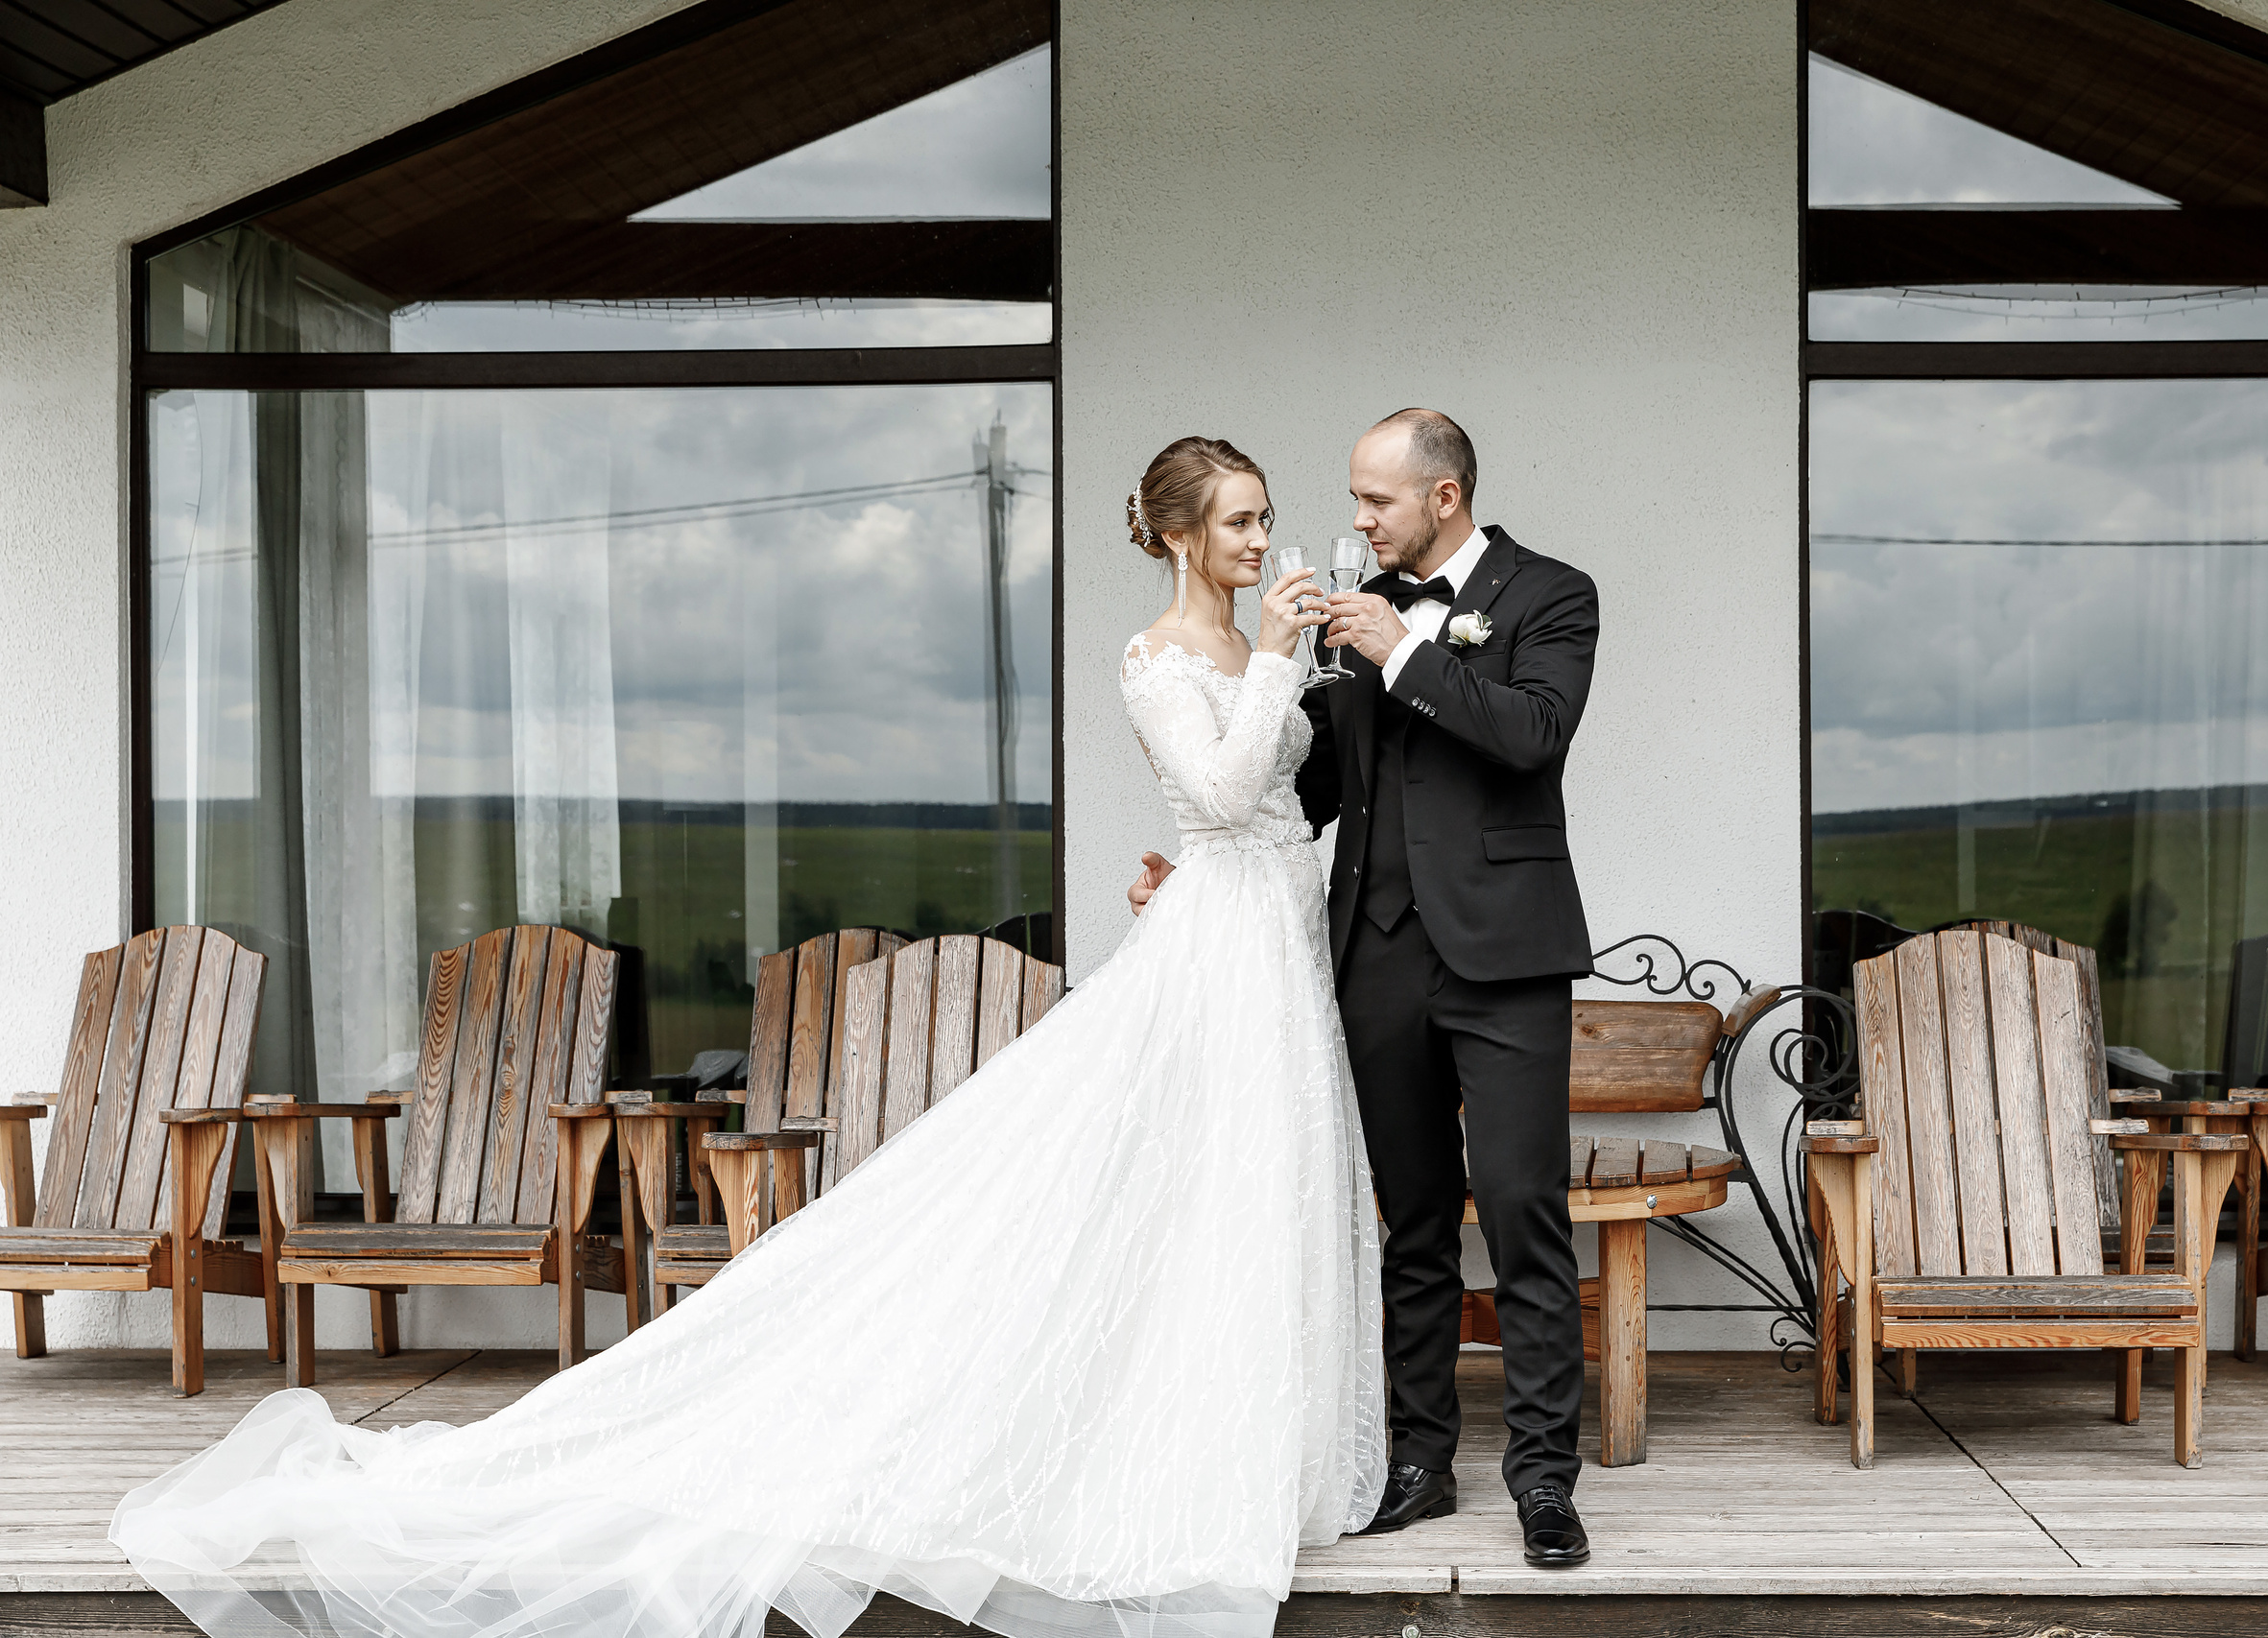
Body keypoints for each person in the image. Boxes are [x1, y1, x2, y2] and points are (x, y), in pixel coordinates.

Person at [109, 436, 1384, 1638]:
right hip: (1221, 940)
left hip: (1274, 930)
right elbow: (1219, 793)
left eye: (1264, 518)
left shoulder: (1258, 644)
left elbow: (1280, 796)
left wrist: (1301, 670)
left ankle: (1251, 1444)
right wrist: (1277, 659)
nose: (1260, 539)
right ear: (1176, 534)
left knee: (1254, 1184)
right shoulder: (1160, 653)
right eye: (1238, 520)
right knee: (1183, 1176)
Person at [1131, 410, 1599, 1567]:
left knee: (1527, 1219)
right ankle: (1419, 1464)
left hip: (1506, 959)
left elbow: (1532, 734)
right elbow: (1309, 781)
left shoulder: (1551, 593)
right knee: (1413, 1227)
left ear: (1442, 497)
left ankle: (1543, 1480)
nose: (1354, 521)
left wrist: (1404, 652)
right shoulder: (1349, 615)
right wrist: (1194, 881)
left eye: (1373, 501)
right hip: (1373, 958)